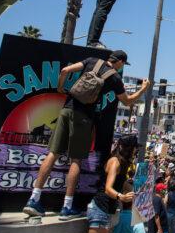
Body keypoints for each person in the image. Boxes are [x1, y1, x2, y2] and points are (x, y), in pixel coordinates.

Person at [23, 52, 150, 220]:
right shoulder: (114, 79)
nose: (121, 67)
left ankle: (33, 199)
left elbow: (65, 70)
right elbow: (127, 101)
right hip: (83, 117)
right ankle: (67, 207)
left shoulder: (92, 61)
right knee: (76, 159)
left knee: (52, 153)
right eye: (122, 64)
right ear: (119, 61)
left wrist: (61, 88)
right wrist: (143, 88)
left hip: (67, 109)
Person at [87, 135, 138, 233]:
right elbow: (108, 189)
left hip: (108, 210)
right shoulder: (115, 161)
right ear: (128, 148)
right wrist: (121, 196)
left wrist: (136, 192)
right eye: (135, 148)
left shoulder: (123, 163)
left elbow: (121, 183)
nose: (136, 151)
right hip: (100, 208)